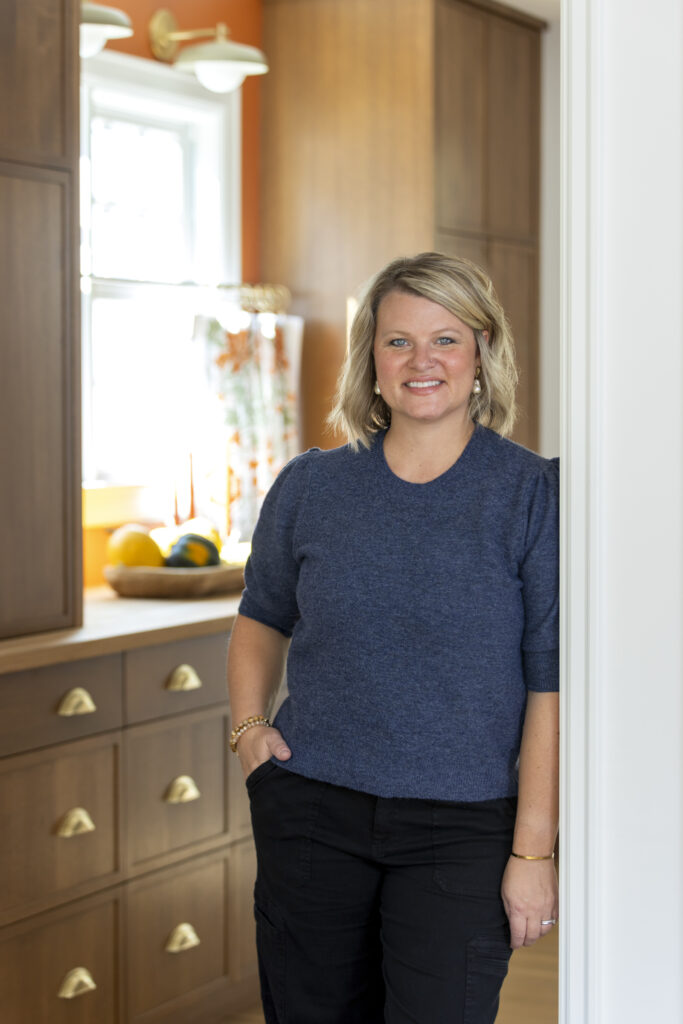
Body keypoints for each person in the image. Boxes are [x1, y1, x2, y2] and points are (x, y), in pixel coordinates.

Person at [227, 251, 559, 1024]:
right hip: (312, 811)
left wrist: (532, 853)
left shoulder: (530, 494)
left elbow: (548, 679)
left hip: (463, 827)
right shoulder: (310, 485)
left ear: (481, 355)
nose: (421, 361)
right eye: (398, 341)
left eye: (445, 339)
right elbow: (261, 612)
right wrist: (248, 730)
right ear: (370, 361)